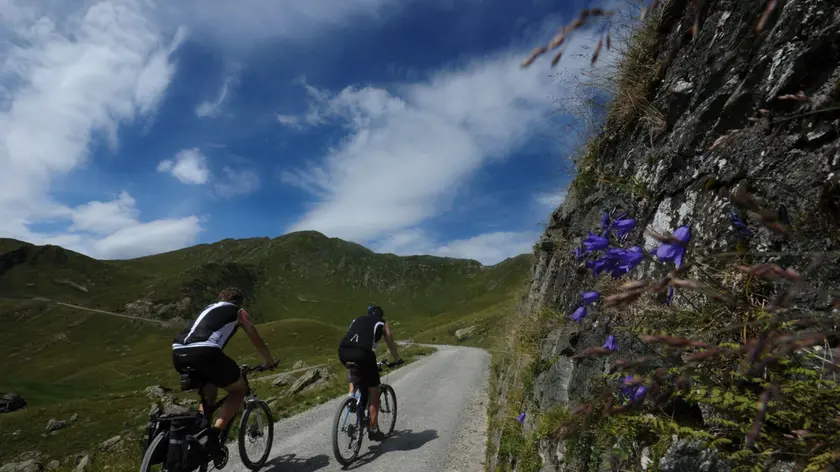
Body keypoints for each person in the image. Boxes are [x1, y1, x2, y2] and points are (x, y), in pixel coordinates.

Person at [171, 286, 276, 459]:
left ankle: (199, 434)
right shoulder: (238, 311)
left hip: (178, 353)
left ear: (221, 298)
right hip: (205, 353)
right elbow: (255, 337)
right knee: (238, 390)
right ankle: (213, 434)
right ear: (239, 301)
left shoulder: (208, 309)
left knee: (209, 393)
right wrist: (269, 362)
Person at [338, 305, 403, 441]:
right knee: (374, 389)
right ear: (380, 315)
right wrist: (397, 359)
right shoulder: (381, 322)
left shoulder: (357, 319)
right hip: (363, 354)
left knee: (355, 367)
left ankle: (351, 396)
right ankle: (373, 429)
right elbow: (389, 339)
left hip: (344, 350)